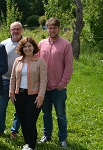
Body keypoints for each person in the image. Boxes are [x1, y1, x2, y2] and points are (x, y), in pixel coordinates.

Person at [37, 18, 73, 148]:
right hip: (44, 87)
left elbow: (68, 67)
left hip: (58, 88)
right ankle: (47, 135)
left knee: (61, 115)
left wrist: (62, 84)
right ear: (46, 28)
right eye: (49, 28)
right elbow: (37, 63)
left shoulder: (66, 45)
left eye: (54, 27)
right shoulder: (41, 44)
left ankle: (62, 138)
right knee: (46, 114)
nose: (52, 30)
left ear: (59, 28)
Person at [9, 36, 47, 150]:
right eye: (25, 46)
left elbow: (44, 80)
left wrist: (40, 96)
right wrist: (11, 92)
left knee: (30, 122)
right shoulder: (17, 60)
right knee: (23, 121)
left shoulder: (40, 61)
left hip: (34, 96)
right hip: (19, 95)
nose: (27, 49)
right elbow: (13, 77)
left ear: (34, 47)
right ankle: (27, 143)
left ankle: (32, 146)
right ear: (22, 48)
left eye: (29, 46)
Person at [0, 22, 23, 139]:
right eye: (13, 29)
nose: (16, 31)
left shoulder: (26, 43)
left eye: (18, 29)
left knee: (19, 108)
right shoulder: (4, 43)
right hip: (5, 79)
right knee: (1, 107)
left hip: (21, 81)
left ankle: (14, 131)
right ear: (10, 30)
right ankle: (0, 129)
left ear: (22, 30)